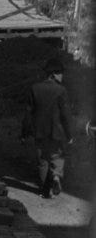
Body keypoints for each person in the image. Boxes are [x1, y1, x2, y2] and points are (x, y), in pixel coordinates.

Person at [22, 58, 73, 199]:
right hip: (57, 133)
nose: (62, 76)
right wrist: (70, 135)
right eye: (60, 73)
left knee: (42, 160)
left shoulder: (35, 88)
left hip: (39, 132)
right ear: (52, 74)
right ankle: (56, 177)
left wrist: (24, 132)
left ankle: (45, 191)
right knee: (57, 156)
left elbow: (28, 113)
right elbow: (66, 115)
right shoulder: (61, 90)